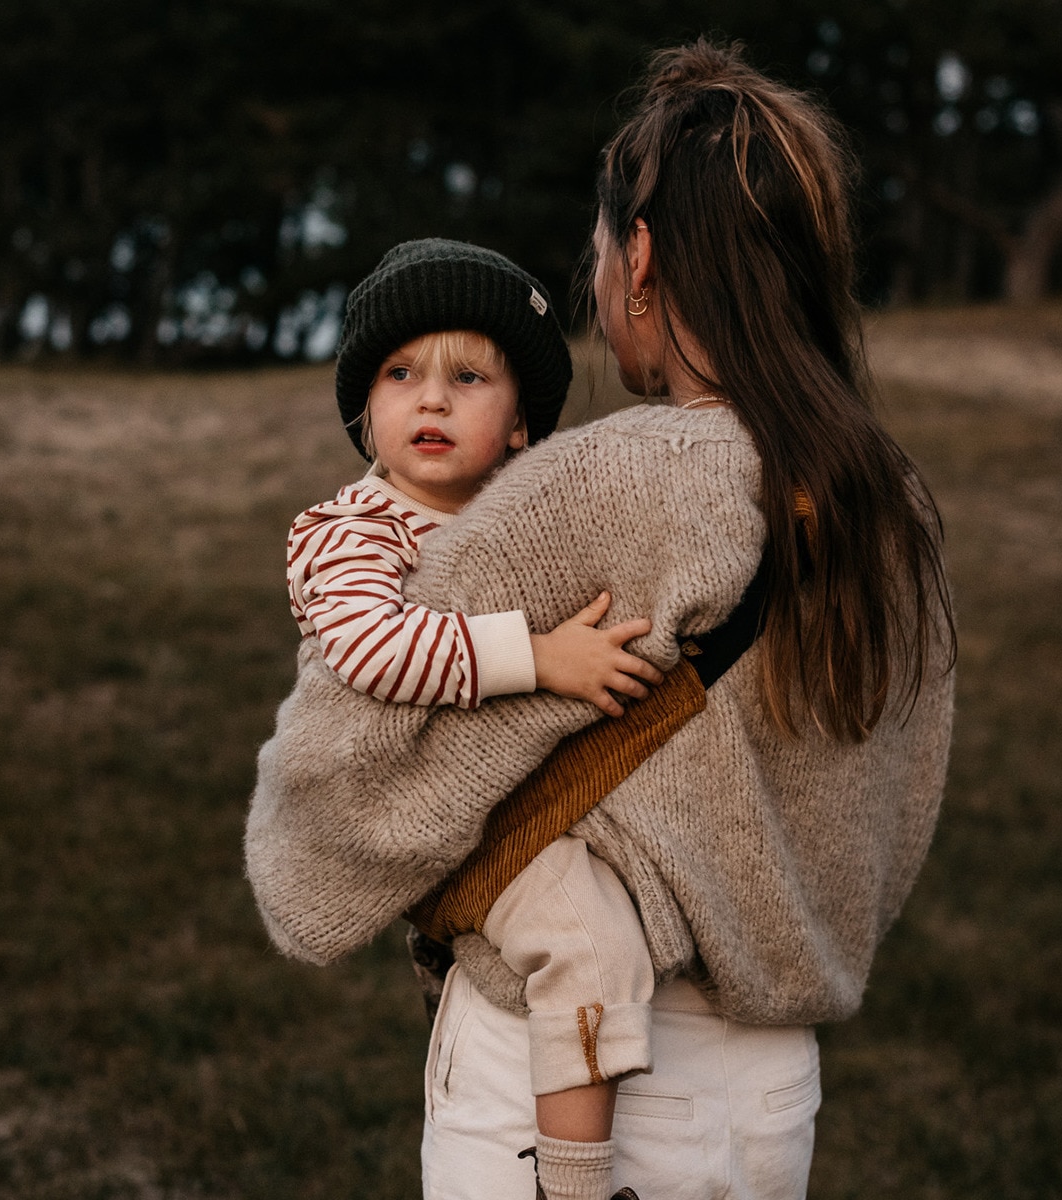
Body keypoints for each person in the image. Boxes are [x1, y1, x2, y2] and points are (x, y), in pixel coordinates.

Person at [246, 38, 956, 1200]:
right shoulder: (895, 500)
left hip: (562, 1087)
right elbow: (897, 810)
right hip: (773, 1092)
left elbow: (343, 782)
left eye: (597, 248)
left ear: (640, 254)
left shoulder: (607, 483)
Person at [283, 237, 665, 1200]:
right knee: (590, 943)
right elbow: (365, 648)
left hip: (510, 801)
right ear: (366, 410)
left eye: (469, 375)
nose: (432, 398)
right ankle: (574, 1187)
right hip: (418, 813)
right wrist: (538, 658)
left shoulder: (520, 525)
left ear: (523, 426)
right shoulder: (353, 531)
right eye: (400, 372)